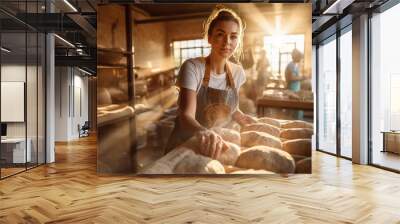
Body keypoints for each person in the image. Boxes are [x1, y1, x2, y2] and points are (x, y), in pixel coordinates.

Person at [165, 6, 257, 158]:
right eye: (221, 34)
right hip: (185, 145)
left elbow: (231, 109)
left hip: (213, 145)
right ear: (209, 37)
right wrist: (204, 132)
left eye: (233, 37)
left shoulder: (237, 72)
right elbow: (186, 116)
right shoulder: (193, 67)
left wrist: (242, 118)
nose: (227, 42)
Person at [285, 48, 305, 119]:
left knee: (297, 111)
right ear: (296, 57)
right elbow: (291, 78)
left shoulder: (295, 65)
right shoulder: (291, 65)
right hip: (291, 90)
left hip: (296, 90)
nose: (300, 59)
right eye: (299, 57)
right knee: (293, 112)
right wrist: (302, 78)